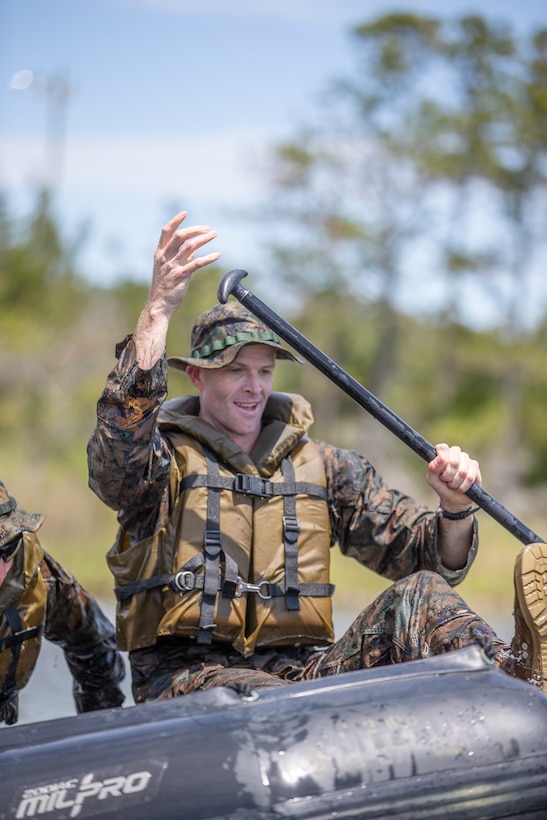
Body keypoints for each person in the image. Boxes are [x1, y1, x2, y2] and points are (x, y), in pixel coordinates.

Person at [87, 210, 547, 704]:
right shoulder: (161, 464)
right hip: (188, 679)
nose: (253, 386)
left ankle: (518, 678)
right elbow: (117, 455)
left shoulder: (323, 466)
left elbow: (429, 556)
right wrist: (157, 313)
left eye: (264, 371)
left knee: (421, 598)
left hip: (297, 677)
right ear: (198, 376)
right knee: (257, 696)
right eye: (235, 370)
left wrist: (456, 508)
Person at [0, 479, 126, 725]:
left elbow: (95, 646)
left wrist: (99, 734)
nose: (2, 568)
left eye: (7, 547)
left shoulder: (34, 575)